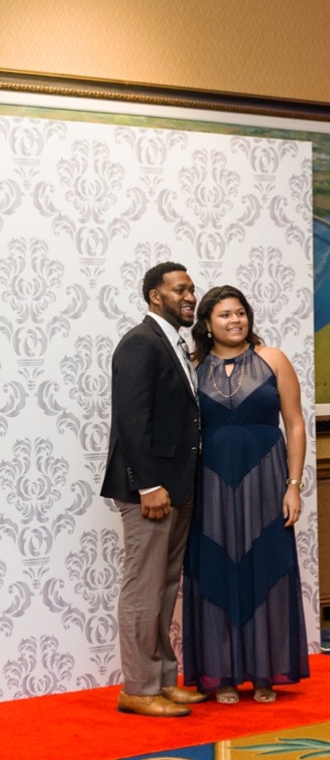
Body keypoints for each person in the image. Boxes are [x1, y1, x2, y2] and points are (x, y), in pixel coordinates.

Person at [182, 285, 309, 703]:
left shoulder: (272, 359)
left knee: (266, 570)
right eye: (224, 315)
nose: (235, 320)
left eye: (241, 313)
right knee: (217, 570)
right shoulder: (194, 367)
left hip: (268, 481)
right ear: (207, 324)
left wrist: (294, 486)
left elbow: (293, 424)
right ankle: (222, 674)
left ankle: (265, 672)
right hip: (212, 484)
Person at [101, 262, 206, 717]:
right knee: (144, 587)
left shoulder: (175, 344)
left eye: (192, 289)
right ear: (153, 296)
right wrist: (149, 485)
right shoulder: (139, 344)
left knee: (164, 586)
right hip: (150, 489)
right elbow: (130, 420)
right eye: (179, 290)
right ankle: (138, 688)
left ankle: (163, 679)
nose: (189, 297)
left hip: (178, 486)